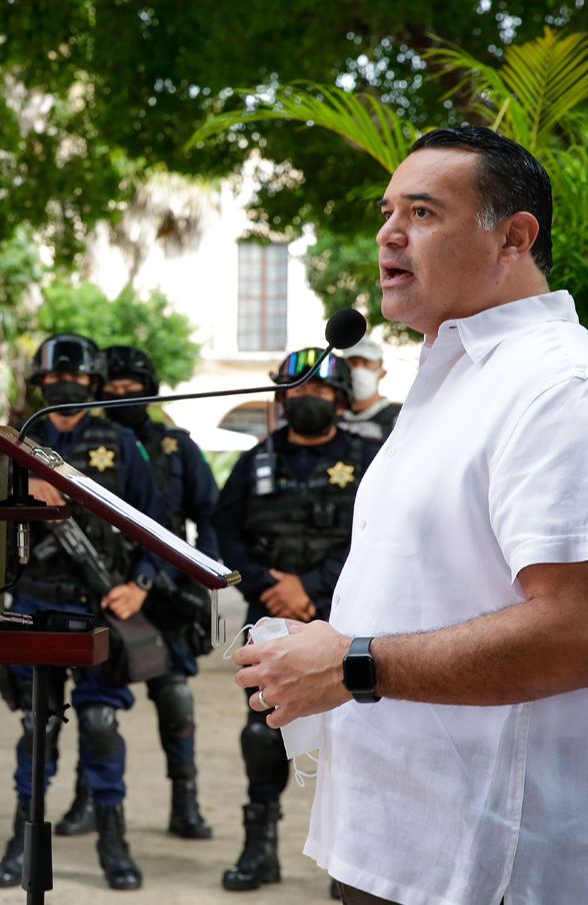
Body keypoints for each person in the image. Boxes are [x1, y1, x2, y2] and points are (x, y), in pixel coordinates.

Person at [234, 126, 588, 905]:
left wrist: (351, 664)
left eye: (424, 213)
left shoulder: (560, 390)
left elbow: (576, 637)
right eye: (387, 210)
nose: (388, 234)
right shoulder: (454, 374)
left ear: (514, 237)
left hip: (490, 864)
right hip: (394, 844)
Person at [0, 333, 165, 892]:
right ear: (39, 386)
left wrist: (139, 585)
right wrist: (23, 486)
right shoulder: (18, 444)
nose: (66, 388)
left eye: (78, 380)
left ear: (92, 384)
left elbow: (154, 527)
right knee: (35, 725)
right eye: (54, 381)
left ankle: (112, 837)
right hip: (35, 600)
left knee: (100, 723)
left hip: (101, 604)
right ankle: (23, 836)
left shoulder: (124, 444)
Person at [212, 347, 376, 893]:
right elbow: (224, 533)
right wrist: (268, 586)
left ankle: (348, 862)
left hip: (348, 618)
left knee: (355, 737)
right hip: (272, 621)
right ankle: (259, 848)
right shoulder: (256, 460)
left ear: (340, 400)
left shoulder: (371, 457)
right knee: (264, 732)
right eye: (298, 391)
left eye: (320, 392)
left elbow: (376, 534)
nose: (308, 399)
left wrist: (311, 587)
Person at [94, 344, 217, 841]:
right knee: (96, 708)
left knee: (175, 701)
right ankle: (90, 800)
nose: (123, 395)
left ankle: (184, 801)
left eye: (133, 387)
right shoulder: (85, 445)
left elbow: (207, 514)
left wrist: (203, 576)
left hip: (167, 593)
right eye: (113, 388)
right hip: (103, 590)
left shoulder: (176, 446)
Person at [334, 337, 400, 442]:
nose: (358, 371)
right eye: (353, 363)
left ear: (382, 373)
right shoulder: (330, 415)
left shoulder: (400, 417)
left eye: (367, 363)